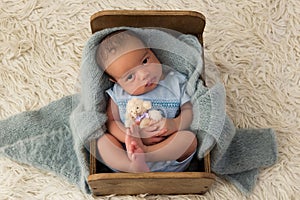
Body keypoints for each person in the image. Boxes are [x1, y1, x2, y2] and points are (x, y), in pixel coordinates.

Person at [96, 30, 197, 172]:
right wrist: (130, 136)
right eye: (130, 77)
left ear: (151, 51)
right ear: (116, 81)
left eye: (145, 61)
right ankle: (132, 166)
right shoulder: (119, 92)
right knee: (103, 142)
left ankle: (148, 155)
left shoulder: (175, 81)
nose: (144, 75)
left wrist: (174, 124)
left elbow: (189, 111)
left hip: (166, 155)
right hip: (129, 156)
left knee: (189, 139)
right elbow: (111, 122)